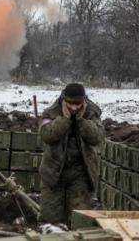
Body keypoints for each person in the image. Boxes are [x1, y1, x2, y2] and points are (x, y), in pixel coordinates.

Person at [38, 83, 105, 229]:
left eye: (78, 104)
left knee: (80, 222)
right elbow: (46, 135)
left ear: (84, 101)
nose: (74, 108)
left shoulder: (92, 112)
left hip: (81, 175)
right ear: (64, 100)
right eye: (70, 104)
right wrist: (65, 119)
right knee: (51, 223)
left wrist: (81, 121)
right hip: (53, 174)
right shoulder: (52, 112)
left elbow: (97, 137)